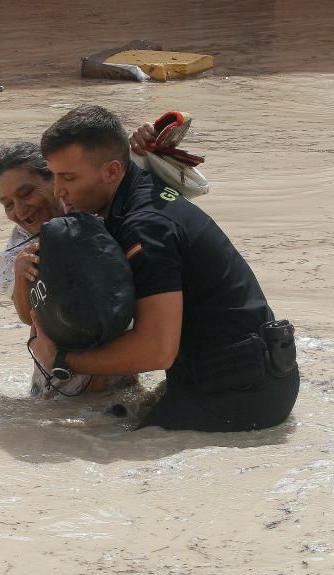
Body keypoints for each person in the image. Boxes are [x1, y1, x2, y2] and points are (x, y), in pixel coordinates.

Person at [30, 105, 299, 432]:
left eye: (68, 178)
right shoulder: (138, 191)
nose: (58, 192)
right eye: (54, 176)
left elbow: (156, 350)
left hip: (242, 397)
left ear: (112, 172)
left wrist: (61, 361)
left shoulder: (147, 227)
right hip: (245, 376)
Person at [0, 142, 136, 396]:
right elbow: (28, 318)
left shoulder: (94, 216)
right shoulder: (20, 246)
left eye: (26, 193)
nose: (20, 210)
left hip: (116, 368)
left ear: (55, 180)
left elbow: (119, 167)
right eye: (8, 204)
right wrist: (20, 272)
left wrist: (142, 143)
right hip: (57, 381)